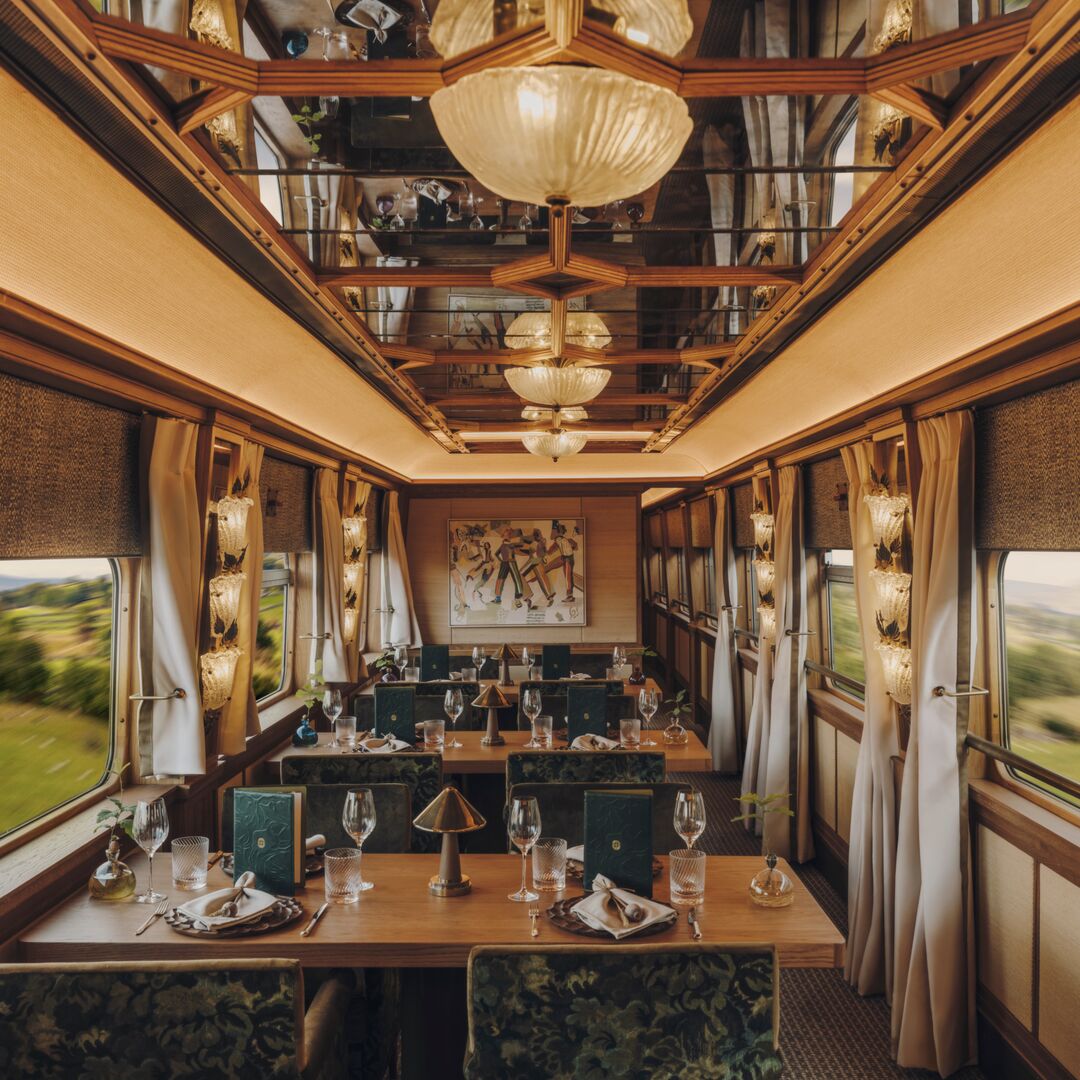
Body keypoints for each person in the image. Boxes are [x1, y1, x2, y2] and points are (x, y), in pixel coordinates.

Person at [545, 521, 579, 602]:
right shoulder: (559, 540)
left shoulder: (565, 540)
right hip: (564, 557)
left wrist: (571, 549)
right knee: (550, 567)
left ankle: (570, 596)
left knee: (568, 577)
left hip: (568, 559)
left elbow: (575, 546)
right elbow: (551, 550)